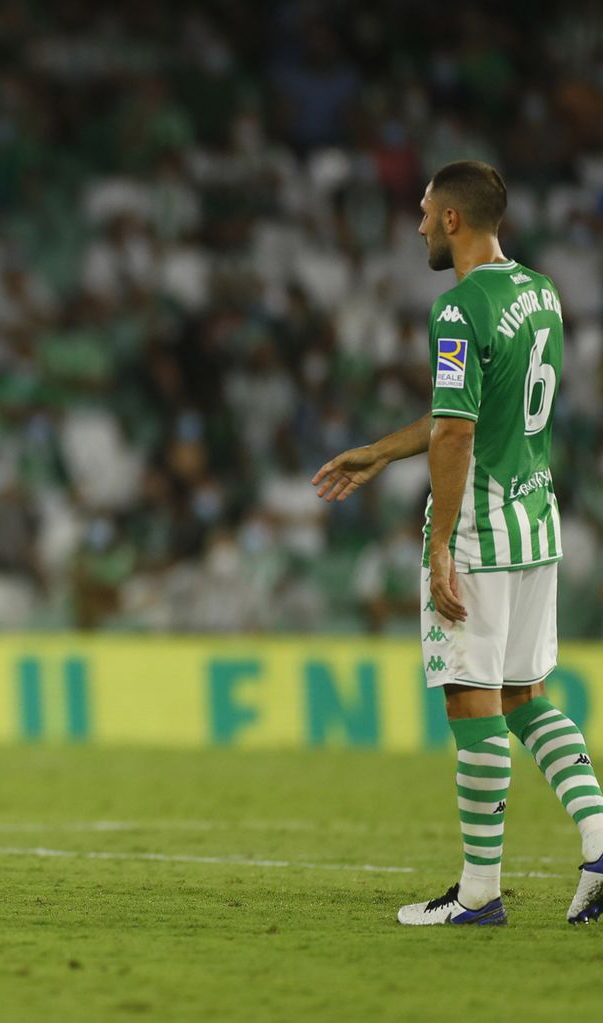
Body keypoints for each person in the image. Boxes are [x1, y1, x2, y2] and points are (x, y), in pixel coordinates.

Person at [314, 160, 603, 926]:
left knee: (473, 703)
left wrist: (440, 543)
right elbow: (481, 406)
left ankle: (478, 891)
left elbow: (456, 428)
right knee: (524, 698)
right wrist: (380, 450)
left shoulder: (459, 307)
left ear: (452, 220)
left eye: (422, 212)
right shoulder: (541, 293)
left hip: (478, 526)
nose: (415, 226)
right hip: (536, 520)